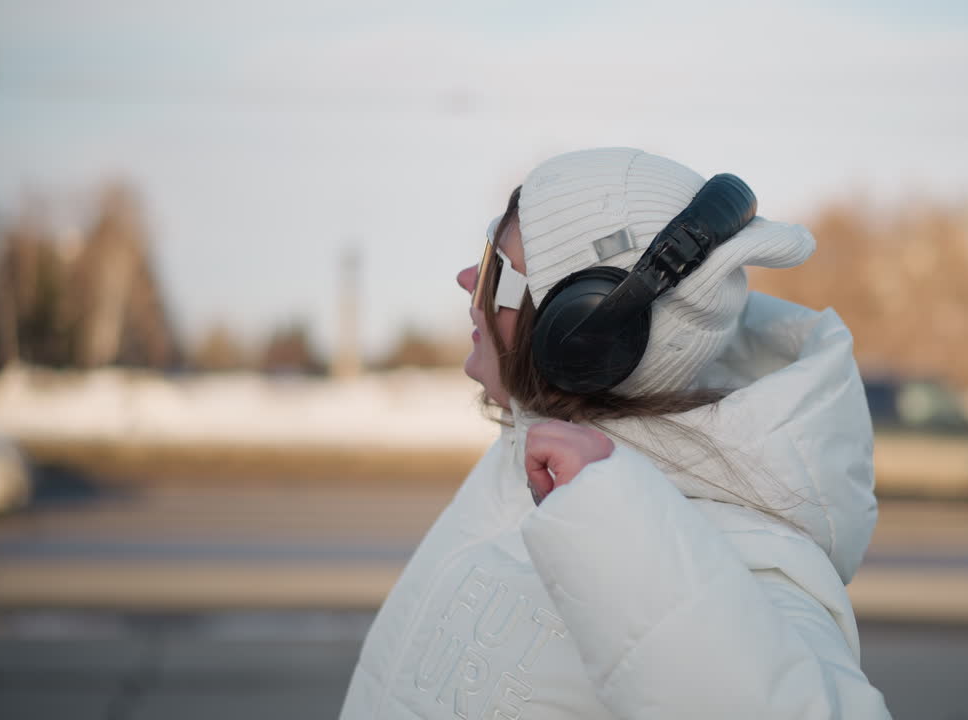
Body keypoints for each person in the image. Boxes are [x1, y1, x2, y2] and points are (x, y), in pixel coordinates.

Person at [339, 148, 890, 719]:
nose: (468, 280)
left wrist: (618, 530)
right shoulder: (531, 453)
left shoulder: (750, 560)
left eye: (499, 272)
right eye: (485, 249)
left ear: (585, 334)